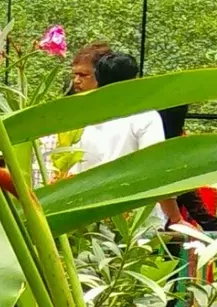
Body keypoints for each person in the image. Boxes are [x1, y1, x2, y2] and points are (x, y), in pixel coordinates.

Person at [73, 50, 181, 227]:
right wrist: (176, 218)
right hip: (136, 220)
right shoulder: (145, 117)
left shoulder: (81, 117)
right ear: (133, 80)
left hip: (91, 215)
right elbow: (155, 171)